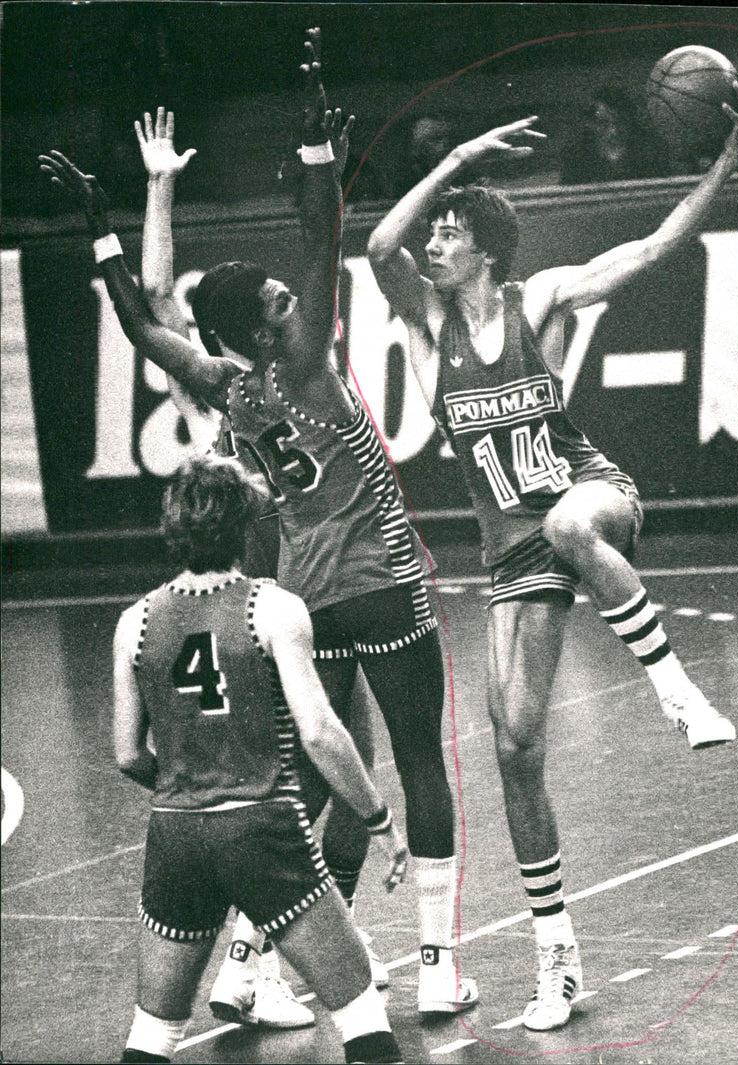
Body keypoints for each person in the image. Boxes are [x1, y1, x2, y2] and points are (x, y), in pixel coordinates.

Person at [39, 28, 477, 1017]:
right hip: (382, 582)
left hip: (308, 603)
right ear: (266, 328)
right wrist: (318, 150)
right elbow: (322, 237)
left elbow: (140, 324)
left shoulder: (225, 389)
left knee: (322, 781)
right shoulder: (310, 362)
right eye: (279, 302)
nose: (291, 299)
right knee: (416, 767)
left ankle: (251, 968)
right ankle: (440, 965)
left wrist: (100, 222)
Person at [366, 68, 738, 1031]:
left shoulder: (539, 301)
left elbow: (658, 245)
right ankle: (558, 956)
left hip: (594, 498)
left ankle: (676, 688)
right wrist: (455, 158)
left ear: (485, 251)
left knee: (571, 522)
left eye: (450, 231)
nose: (433, 241)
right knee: (514, 747)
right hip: (514, 554)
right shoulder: (427, 329)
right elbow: (377, 244)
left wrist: (726, 164)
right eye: (436, 232)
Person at [134, 103, 381, 1028]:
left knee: (293, 787)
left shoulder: (219, 384)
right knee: (332, 782)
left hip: (260, 610)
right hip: (269, 612)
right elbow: (163, 303)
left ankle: (250, 966)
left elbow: (155, 299)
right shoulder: (236, 385)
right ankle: (277, 963)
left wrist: (161, 187)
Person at [111, 453, 407, 1065]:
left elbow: (126, 754)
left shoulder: (133, 623)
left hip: (176, 838)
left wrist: (187, 788)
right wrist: (378, 820)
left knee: (153, 1035)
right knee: (361, 1016)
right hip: (266, 834)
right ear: (249, 526)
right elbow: (322, 733)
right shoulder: (273, 609)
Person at [560, 80, 667, 185]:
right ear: (590, 123)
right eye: (603, 123)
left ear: (630, 121)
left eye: (620, 123)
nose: (614, 131)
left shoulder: (649, 152)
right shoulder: (577, 157)